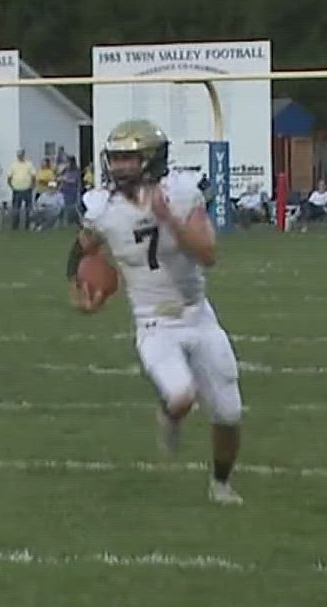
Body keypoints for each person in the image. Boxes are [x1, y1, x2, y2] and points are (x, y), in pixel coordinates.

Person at [68, 119, 244, 506]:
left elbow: (208, 255)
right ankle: (170, 412)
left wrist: (169, 220)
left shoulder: (183, 193)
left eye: (129, 158)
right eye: (115, 159)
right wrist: (79, 289)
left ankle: (220, 483)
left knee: (229, 414)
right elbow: (83, 249)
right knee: (181, 396)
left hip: (198, 314)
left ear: (151, 159)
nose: (119, 168)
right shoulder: (101, 207)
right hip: (153, 320)